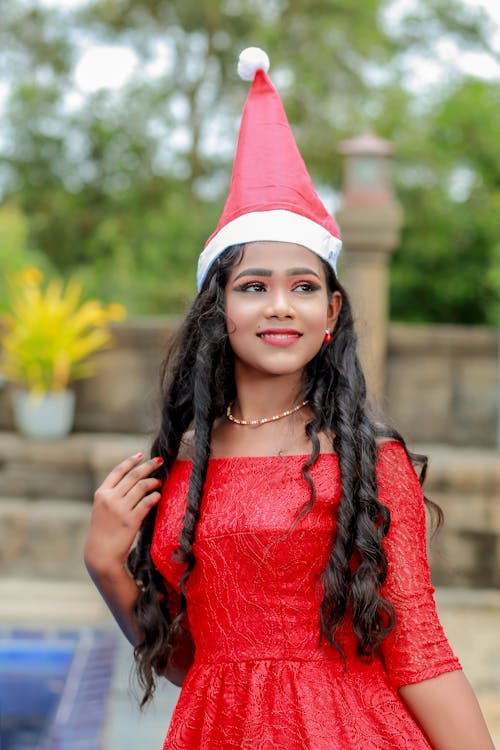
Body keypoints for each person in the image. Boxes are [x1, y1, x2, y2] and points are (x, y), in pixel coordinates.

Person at [84, 48, 495, 749]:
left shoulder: (366, 460)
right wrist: (105, 567)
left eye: (303, 287)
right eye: (254, 286)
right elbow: (196, 665)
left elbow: (421, 653)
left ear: (331, 313)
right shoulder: (183, 470)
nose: (281, 306)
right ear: (218, 310)